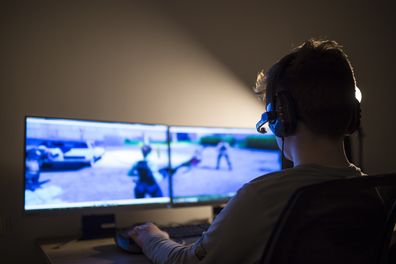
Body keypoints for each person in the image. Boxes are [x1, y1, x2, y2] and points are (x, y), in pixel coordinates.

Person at [128, 39, 364, 263]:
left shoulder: (263, 196)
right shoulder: (376, 192)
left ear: (281, 117)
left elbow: (186, 262)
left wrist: (152, 236)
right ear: (352, 115)